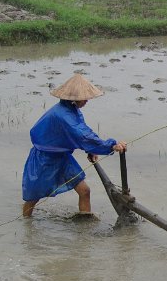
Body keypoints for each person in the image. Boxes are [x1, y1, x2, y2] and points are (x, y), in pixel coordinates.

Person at [21, 73, 127, 217]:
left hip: (62, 158)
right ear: (75, 99)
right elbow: (82, 136)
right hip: (44, 159)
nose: (87, 100)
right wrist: (111, 146)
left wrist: (90, 149)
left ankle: (84, 233)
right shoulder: (64, 116)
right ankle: (27, 227)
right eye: (85, 98)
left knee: (84, 191)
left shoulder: (71, 110)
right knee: (33, 198)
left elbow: (82, 132)